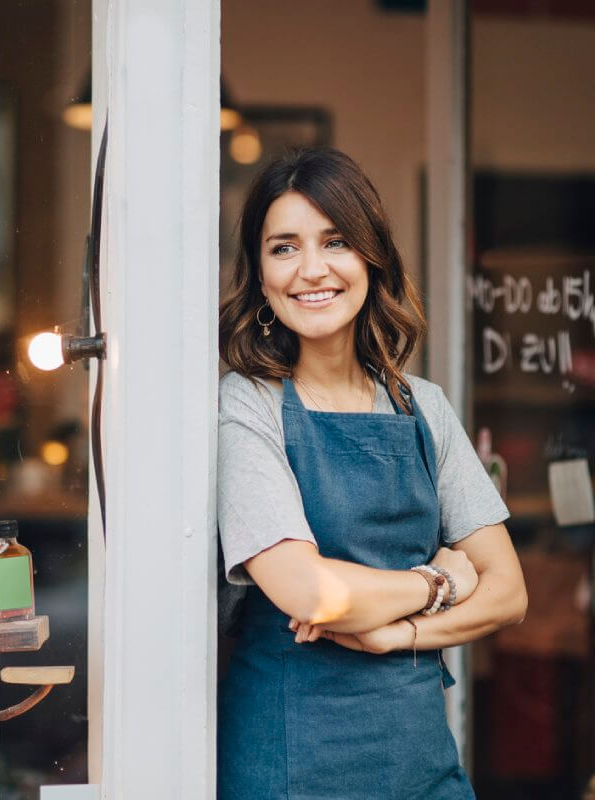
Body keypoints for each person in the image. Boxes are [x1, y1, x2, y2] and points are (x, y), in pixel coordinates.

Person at [216, 147, 527, 800]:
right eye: (283, 248)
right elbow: (308, 592)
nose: (311, 269)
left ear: (371, 257)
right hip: (289, 761)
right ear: (261, 276)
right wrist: (443, 579)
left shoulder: (424, 407)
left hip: (422, 761)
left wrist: (396, 634)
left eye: (335, 242)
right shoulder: (246, 404)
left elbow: (508, 593)